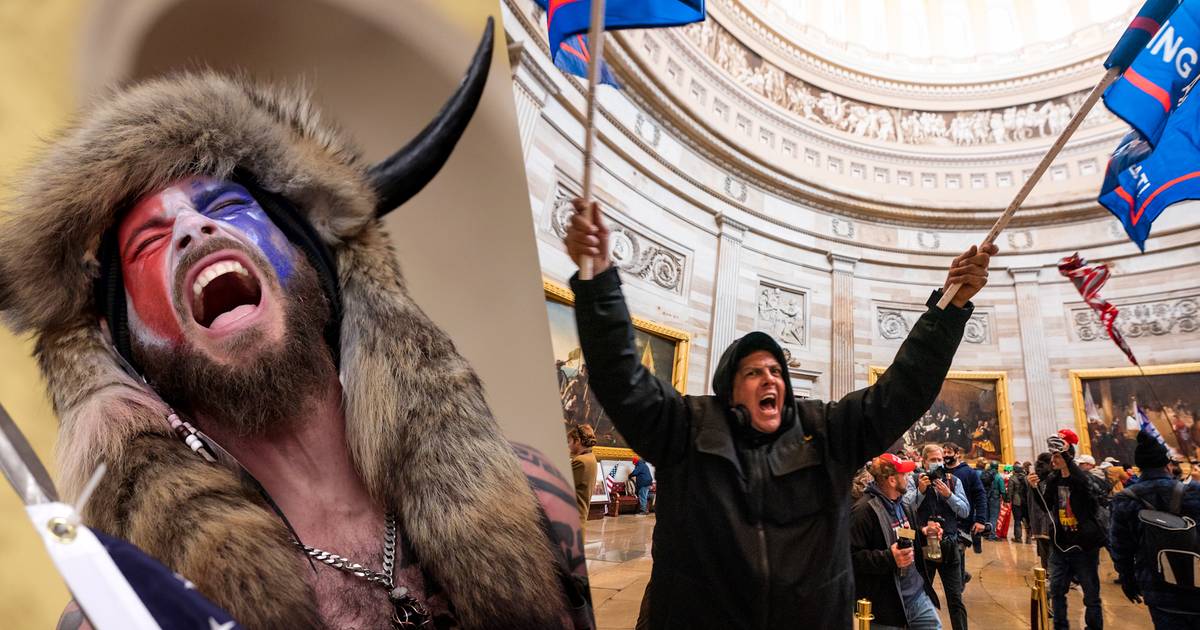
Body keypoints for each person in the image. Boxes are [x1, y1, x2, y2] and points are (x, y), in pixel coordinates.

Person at [0, 31, 592, 630]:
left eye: (226, 207)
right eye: (149, 242)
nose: (191, 229)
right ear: (123, 343)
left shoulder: (534, 497)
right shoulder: (126, 614)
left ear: (310, 257)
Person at [563, 198, 997, 629]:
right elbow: (622, 378)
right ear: (729, 389)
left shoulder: (826, 431)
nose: (770, 379)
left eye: (776, 371)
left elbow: (904, 388)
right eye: (754, 372)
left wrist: (950, 307)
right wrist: (598, 282)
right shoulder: (687, 429)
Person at [1110, 430, 1200, 628]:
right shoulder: (1193, 491)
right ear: (1167, 464)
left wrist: (1128, 580)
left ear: (1139, 467)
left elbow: (1120, 548)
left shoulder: (1125, 499)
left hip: (1157, 587)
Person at [851, 454, 944, 630]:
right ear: (892, 480)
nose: (909, 478)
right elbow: (850, 557)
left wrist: (923, 534)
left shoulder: (903, 505)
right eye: (905, 475)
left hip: (917, 595)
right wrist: (889, 558)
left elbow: (905, 535)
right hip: (886, 605)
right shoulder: (863, 511)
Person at [1028, 430, 1105, 630]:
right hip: (1061, 544)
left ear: (1067, 455)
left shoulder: (1083, 478)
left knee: (1091, 595)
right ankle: (1060, 626)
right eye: (1052, 455)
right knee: (1057, 591)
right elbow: (1046, 506)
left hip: (1084, 546)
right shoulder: (1054, 479)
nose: (1053, 459)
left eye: (1057, 455)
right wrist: (1035, 488)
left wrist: (1067, 456)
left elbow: (1083, 487)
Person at [905, 444, 971, 630]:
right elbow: (905, 507)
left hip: (949, 545)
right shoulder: (914, 479)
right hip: (923, 546)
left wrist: (949, 495)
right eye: (933, 460)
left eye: (939, 459)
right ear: (924, 461)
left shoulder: (953, 481)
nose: (937, 463)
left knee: (955, 599)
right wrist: (920, 491)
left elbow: (965, 511)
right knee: (921, 596)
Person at [569, 424, 600, 530]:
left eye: (569, 442)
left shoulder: (581, 461)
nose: (568, 446)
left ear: (577, 441)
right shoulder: (591, 458)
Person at [1029, 452, 1055, 570]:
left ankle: (1047, 571)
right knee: (1051, 548)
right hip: (1048, 519)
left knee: (1043, 547)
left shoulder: (1032, 479)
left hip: (1036, 519)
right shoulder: (1049, 479)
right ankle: (1051, 572)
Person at [1009, 462, 1031, 543]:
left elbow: (1010, 491)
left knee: (1017, 520)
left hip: (1016, 502)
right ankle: (1028, 539)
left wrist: (1008, 500)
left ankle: (1018, 538)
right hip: (1026, 502)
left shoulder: (1012, 478)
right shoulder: (1026, 478)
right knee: (1027, 520)